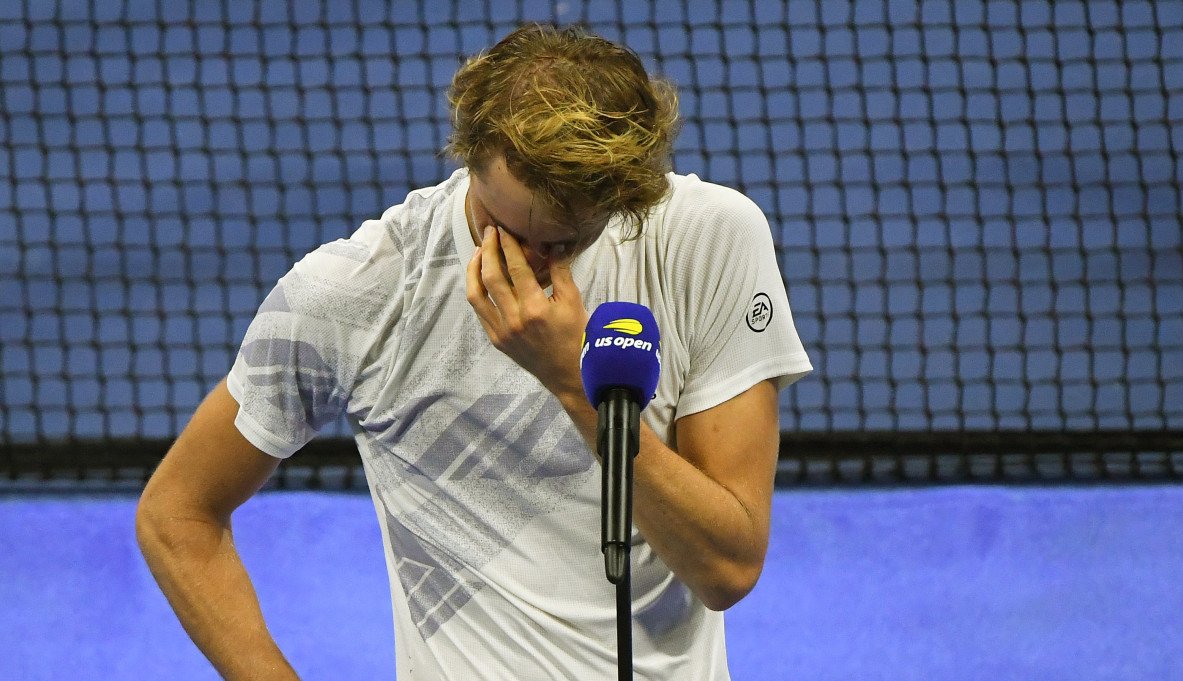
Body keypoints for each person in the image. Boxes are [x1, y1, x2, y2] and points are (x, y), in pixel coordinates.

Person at [136, 23, 811, 681]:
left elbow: (727, 568)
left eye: (564, 241)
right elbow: (178, 513)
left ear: (623, 195)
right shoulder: (355, 292)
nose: (532, 260)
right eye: (507, 226)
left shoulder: (707, 241)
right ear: (468, 156)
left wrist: (573, 384)